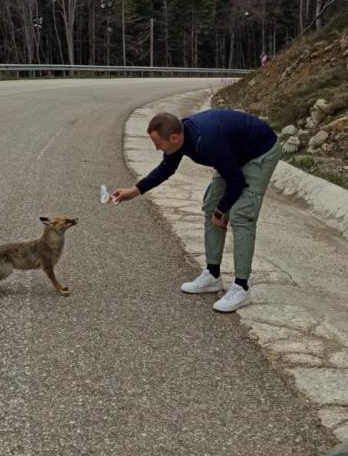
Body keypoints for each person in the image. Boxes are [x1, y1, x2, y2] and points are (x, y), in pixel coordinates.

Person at [113, 109, 281, 313]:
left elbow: (236, 182)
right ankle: (212, 275)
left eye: (159, 144)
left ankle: (241, 287)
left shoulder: (207, 142)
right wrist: (134, 191)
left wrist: (221, 212)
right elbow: (166, 169)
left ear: (174, 138)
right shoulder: (181, 137)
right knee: (211, 205)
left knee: (241, 216)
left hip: (259, 152)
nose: (157, 149)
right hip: (234, 153)